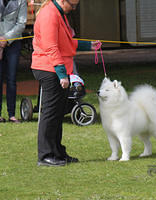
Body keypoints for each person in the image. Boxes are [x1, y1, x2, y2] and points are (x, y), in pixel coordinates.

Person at [31, 0, 101, 166]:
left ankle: (58, 152)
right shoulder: (49, 14)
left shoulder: (59, 13)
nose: (74, 8)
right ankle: (45, 155)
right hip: (49, 70)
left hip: (57, 68)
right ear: (63, 1)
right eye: (73, 5)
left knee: (58, 112)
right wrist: (62, 74)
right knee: (50, 113)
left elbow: (66, 43)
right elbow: (51, 47)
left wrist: (89, 45)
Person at [0, 0, 27, 123]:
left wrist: (6, 39)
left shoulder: (21, 1)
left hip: (13, 42)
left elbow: (21, 23)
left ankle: (12, 114)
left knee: (11, 79)